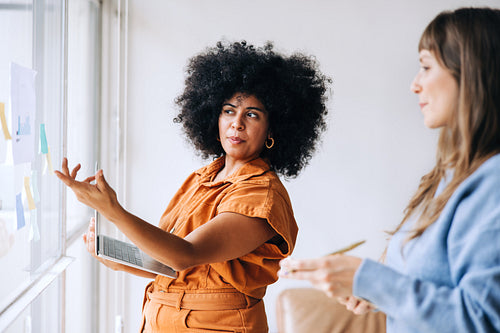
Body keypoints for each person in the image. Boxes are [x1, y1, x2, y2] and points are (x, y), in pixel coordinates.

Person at [55, 41, 330, 332]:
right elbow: (168, 262)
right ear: (214, 116)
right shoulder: (201, 178)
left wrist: (113, 211)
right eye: (228, 110)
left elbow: (185, 254)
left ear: (273, 130)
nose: (236, 124)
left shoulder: (262, 195)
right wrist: (114, 256)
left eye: (252, 114)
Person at [279, 7, 500, 333]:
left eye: (425, 67)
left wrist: (374, 281)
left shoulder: (492, 182)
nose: (414, 85)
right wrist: (377, 289)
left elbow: (483, 320)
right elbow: (435, 290)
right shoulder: (447, 177)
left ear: (471, 72)